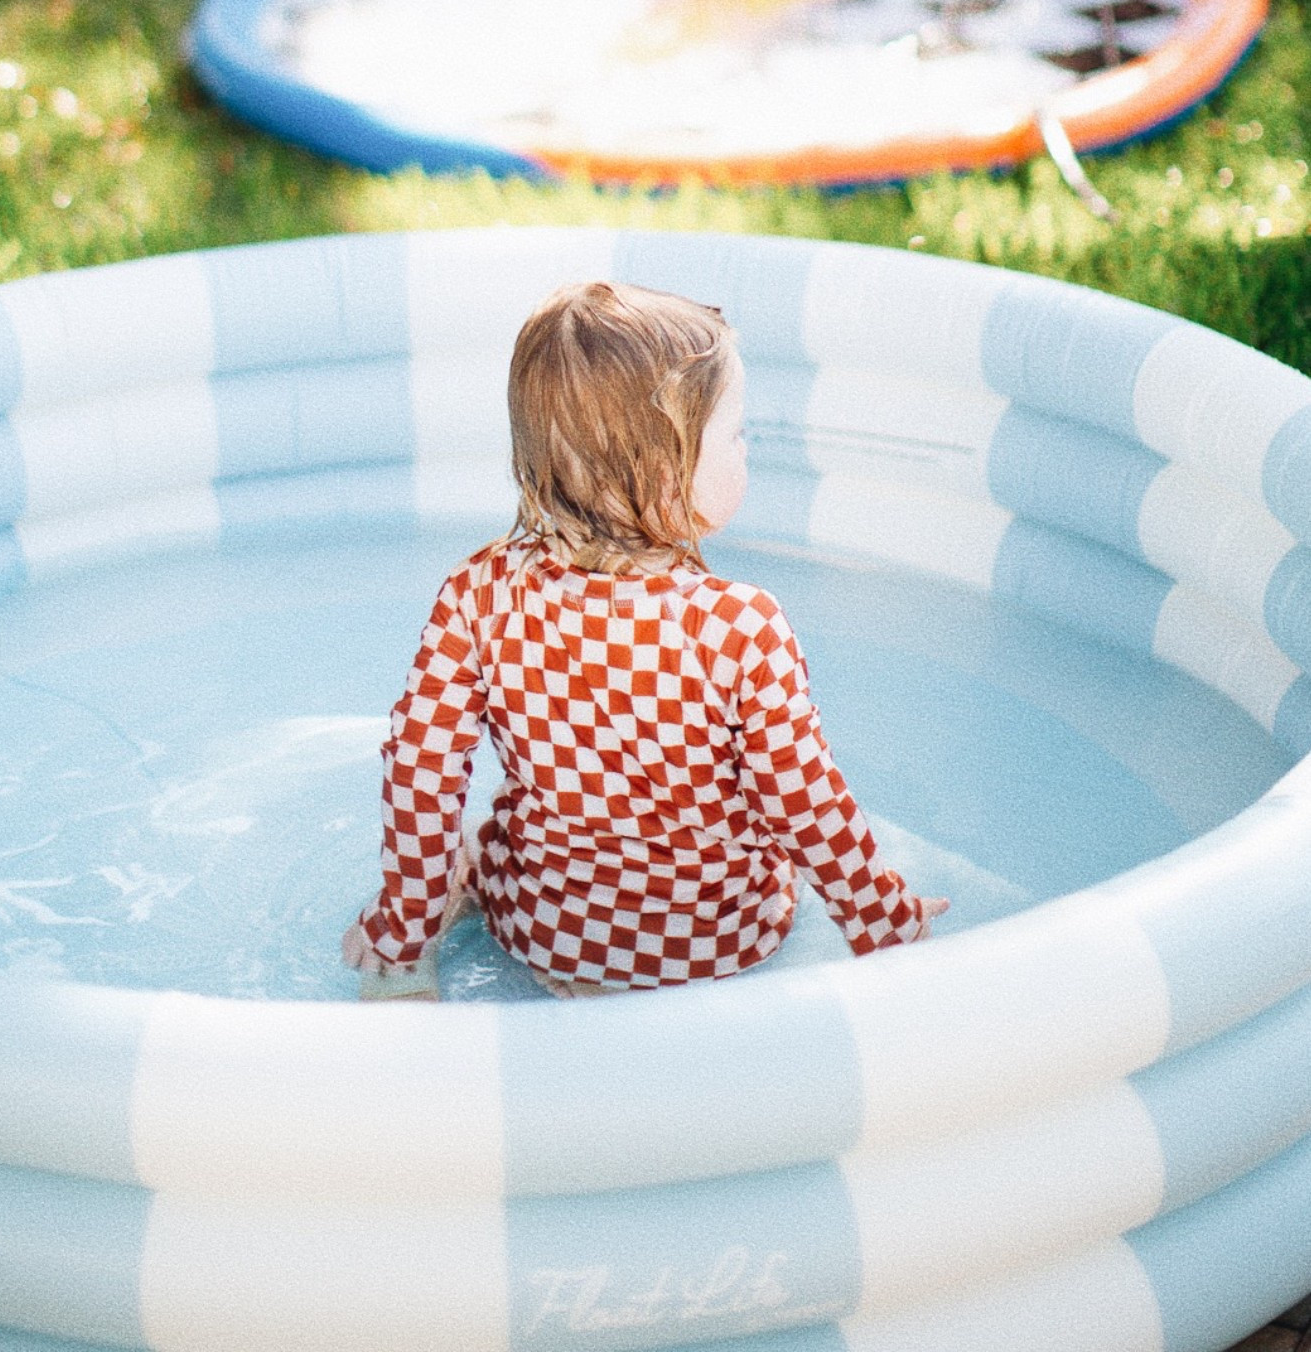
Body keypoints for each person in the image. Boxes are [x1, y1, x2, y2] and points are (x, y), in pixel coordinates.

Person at [341, 279, 947, 1000]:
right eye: (736, 435)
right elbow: (804, 801)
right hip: (718, 942)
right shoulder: (737, 625)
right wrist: (884, 919)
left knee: (469, 848)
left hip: (545, 929)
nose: (746, 451)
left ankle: (411, 960)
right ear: (668, 476)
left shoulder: (481, 593)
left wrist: (398, 924)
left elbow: (420, 769)